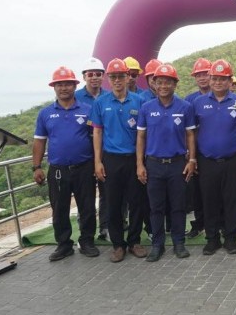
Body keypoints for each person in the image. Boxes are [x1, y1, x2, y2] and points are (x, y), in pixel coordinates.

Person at [32, 66, 99, 261]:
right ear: (54, 87)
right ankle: (64, 245)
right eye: (59, 84)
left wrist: (97, 163)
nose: (64, 88)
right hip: (58, 169)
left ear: (75, 86)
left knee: (87, 207)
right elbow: (39, 141)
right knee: (59, 208)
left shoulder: (87, 110)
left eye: (68, 84)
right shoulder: (45, 113)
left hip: (84, 167)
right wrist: (36, 167)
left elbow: (96, 138)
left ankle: (87, 241)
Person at [192, 59, 236, 255]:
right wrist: (192, 157)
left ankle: (230, 238)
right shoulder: (198, 103)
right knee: (209, 200)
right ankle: (212, 239)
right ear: (210, 80)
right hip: (207, 160)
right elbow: (192, 132)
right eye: (215, 78)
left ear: (229, 81)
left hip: (233, 160)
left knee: (231, 200)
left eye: (223, 79)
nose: (218, 82)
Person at [136, 64, 196, 261]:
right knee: (156, 207)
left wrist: (192, 159)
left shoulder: (185, 107)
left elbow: (190, 135)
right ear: (154, 84)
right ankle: (157, 244)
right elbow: (141, 137)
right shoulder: (146, 108)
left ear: (175, 84)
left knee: (178, 206)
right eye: (159, 82)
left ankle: (179, 243)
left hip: (177, 163)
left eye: (167, 82)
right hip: (153, 164)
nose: (163, 86)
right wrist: (139, 164)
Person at [90, 58, 148, 263]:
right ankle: (117, 245)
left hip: (133, 158)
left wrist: (140, 163)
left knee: (136, 202)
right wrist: (98, 162)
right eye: (113, 77)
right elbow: (97, 133)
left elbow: (143, 134)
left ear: (127, 77)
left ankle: (134, 241)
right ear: (108, 78)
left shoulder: (139, 101)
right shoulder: (101, 102)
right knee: (113, 204)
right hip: (111, 159)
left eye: (120, 76)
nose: (117, 80)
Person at [74, 56, 109, 241]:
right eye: (90, 74)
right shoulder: (76, 97)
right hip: (84, 153)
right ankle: (85, 232)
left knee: (106, 192)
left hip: (106, 151)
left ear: (103, 76)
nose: (94, 77)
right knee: (85, 195)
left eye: (98, 74)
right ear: (84, 76)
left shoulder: (109, 96)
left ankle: (105, 227)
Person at [184, 57, 212, 238]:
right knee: (196, 191)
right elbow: (187, 130)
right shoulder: (190, 100)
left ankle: (219, 223)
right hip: (196, 152)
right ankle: (199, 223)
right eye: (198, 75)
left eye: (205, 74)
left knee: (215, 191)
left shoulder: (220, 95)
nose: (202, 78)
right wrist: (189, 153)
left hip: (213, 153)